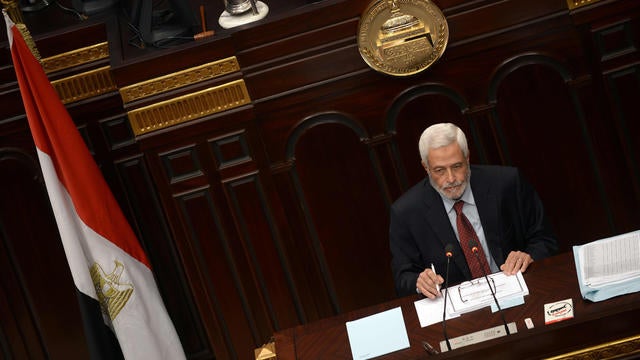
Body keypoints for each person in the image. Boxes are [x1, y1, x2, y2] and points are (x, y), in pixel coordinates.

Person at [389, 123, 558, 298]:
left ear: (467, 158)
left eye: (457, 166)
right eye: (439, 170)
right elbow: (403, 277)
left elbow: (545, 239)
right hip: (459, 311)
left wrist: (528, 256)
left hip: (519, 290)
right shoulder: (406, 212)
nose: (451, 178)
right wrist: (419, 281)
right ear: (426, 168)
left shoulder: (506, 183)